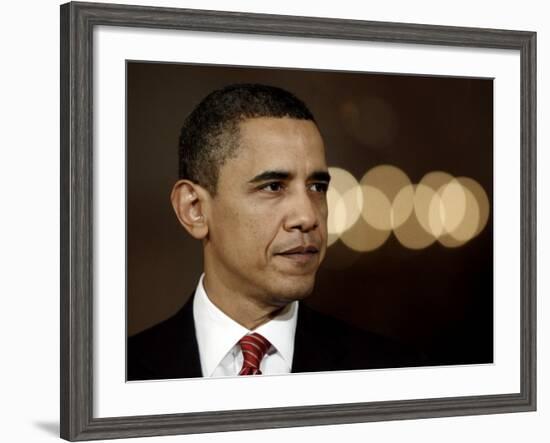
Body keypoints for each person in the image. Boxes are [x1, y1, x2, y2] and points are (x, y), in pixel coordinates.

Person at [127, 83, 422, 380]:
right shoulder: (111, 376)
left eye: (317, 187)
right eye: (273, 187)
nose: (307, 216)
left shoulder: (394, 372)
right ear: (194, 209)